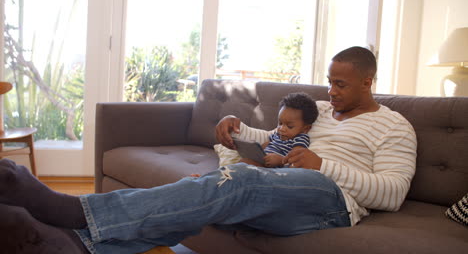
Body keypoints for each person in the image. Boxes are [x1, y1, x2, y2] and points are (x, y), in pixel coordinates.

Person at [0, 46, 417, 254]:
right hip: (280, 180)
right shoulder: (320, 110)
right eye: (329, 81)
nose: (330, 91)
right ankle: (67, 245)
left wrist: (322, 164)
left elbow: (392, 193)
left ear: (367, 82)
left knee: (239, 182)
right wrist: (238, 131)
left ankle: (74, 212)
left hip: (332, 201)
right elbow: (275, 136)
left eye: (340, 84)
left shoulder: (395, 126)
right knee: (210, 191)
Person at [240, 92, 318, 168]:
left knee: (244, 163)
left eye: (289, 126)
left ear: (305, 129)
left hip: (275, 170)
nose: (282, 129)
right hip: (263, 163)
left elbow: (295, 160)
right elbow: (265, 146)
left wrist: (281, 160)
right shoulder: (277, 135)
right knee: (244, 161)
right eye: (280, 123)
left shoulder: (300, 139)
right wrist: (253, 151)